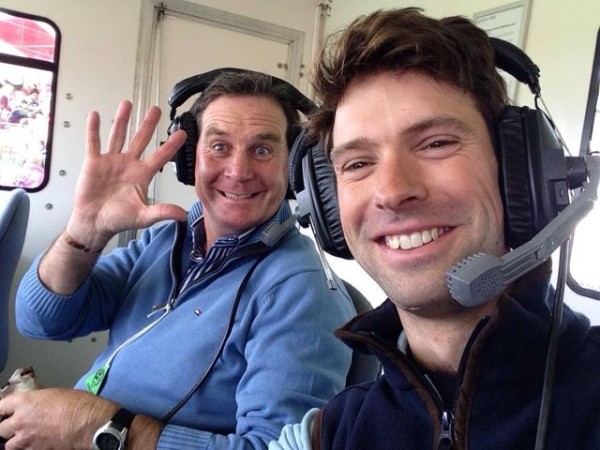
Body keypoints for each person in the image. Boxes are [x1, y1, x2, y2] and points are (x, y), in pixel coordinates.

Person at [269, 7, 600, 450]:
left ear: (521, 171)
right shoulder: (327, 433)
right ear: (327, 211)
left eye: (436, 143)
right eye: (358, 163)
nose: (392, 191)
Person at [0, 70, 356, 449]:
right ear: (191, 160)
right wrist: (85, 229)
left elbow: (274, 446)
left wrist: (96, 428)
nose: (238, 171)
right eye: (219, 147)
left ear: (293, 165)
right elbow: (41, 320)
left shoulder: (303, 293)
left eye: (262, 150)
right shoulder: (168, 239)